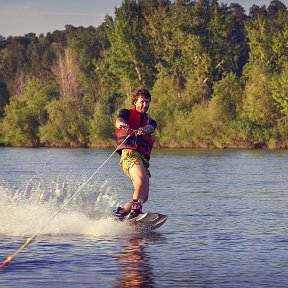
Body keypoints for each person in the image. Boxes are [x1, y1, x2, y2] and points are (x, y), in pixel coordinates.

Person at [114, 88, 157, 220]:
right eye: (142, 102)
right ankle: (135, 212)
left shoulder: (150, 120)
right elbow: (118, 121)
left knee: (144, 194)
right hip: (129, 154)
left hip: (142, 159)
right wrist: (123, 125)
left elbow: (151, 127)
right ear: (135, 102)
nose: (145, 105)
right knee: (140, 181)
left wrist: (145, 129)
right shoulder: (126, 113)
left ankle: (121, 214)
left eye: (147, 102)